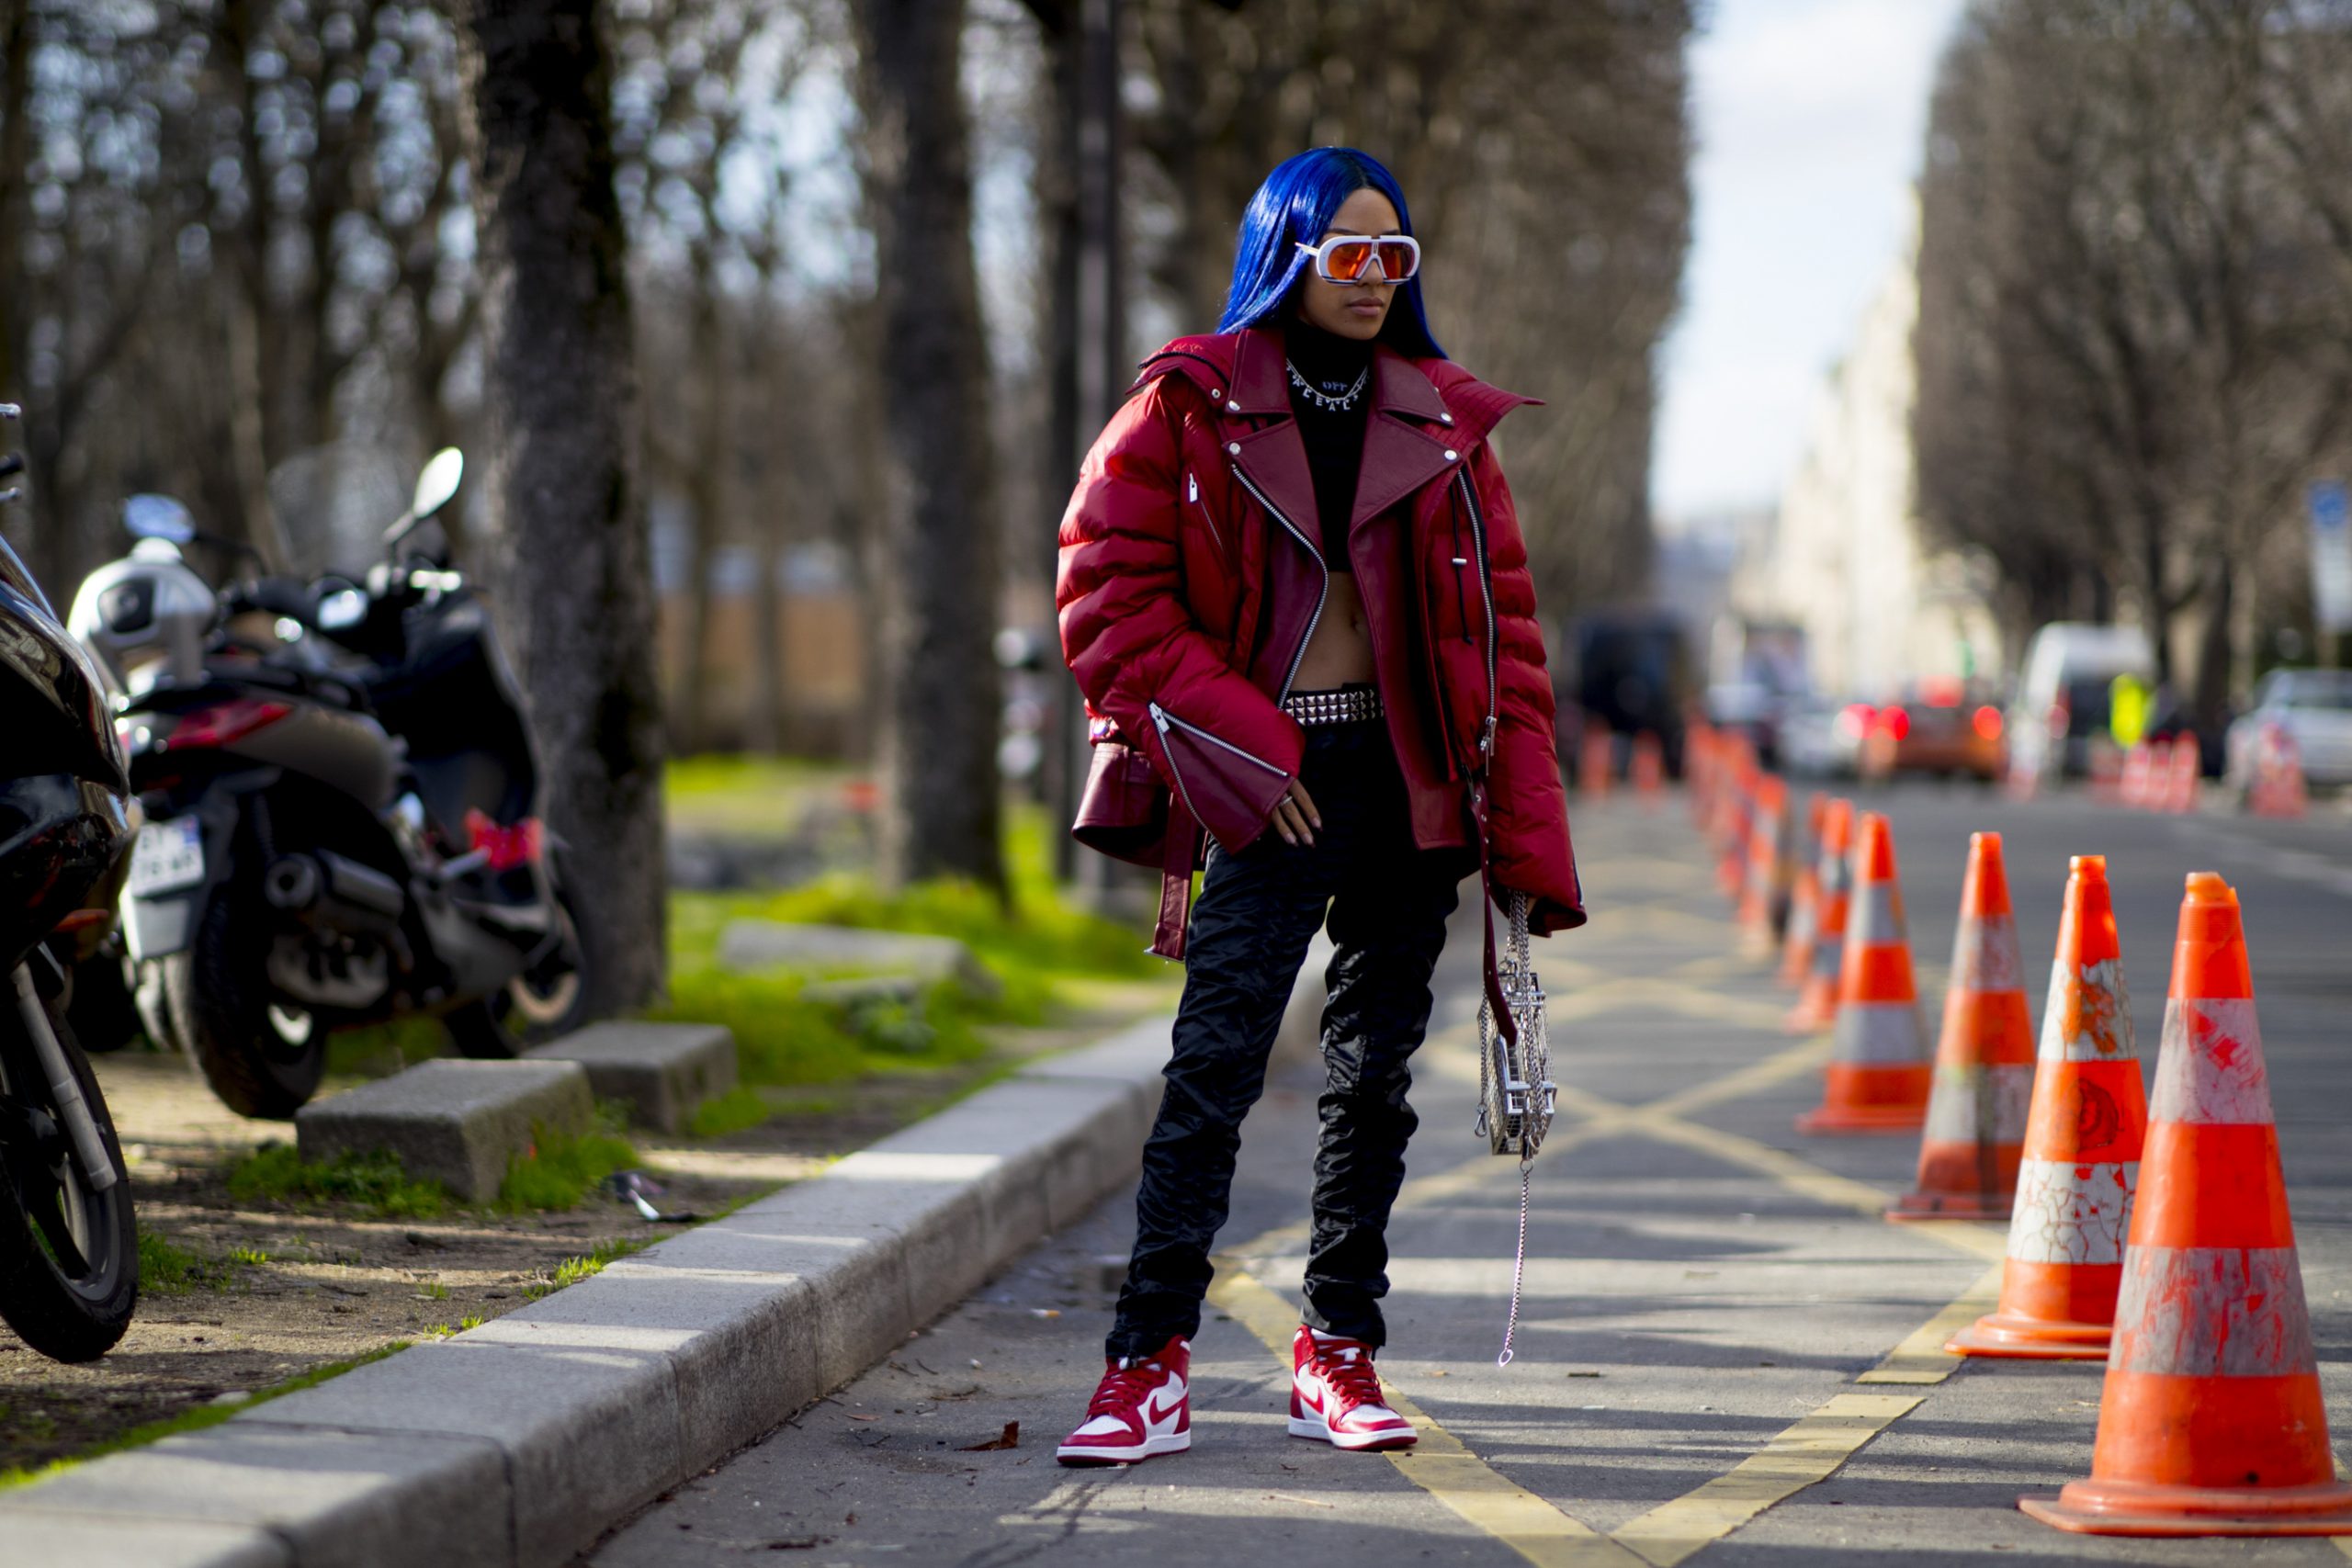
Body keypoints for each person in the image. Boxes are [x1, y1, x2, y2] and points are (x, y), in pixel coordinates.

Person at [1051, 147, 1583, 1466]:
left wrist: (1523, 838)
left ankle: (1335, 1354)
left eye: (1392, 255)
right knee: (1214, 1069)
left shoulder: (1446, 422)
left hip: (1408, 791)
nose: (1371, 277)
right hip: (1265, 790)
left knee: (1373, 1084)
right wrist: (1247, 746)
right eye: (1346, 252)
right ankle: (1144, 1368)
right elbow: (1105, 593)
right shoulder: (1190, 403)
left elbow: (1505, 642)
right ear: (1285, 253)